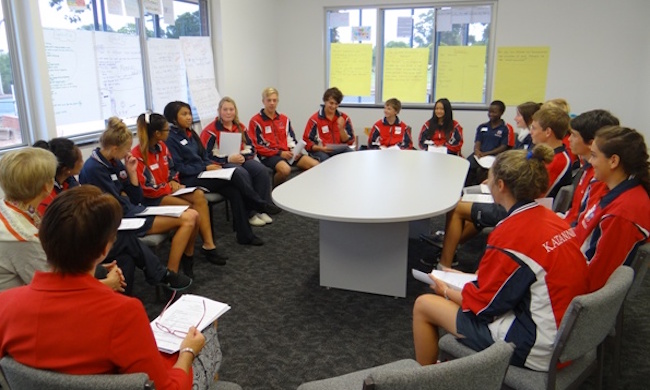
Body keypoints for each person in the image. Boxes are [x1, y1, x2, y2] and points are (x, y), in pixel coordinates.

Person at [0, 185, 220, 390]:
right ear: (106, 248)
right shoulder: (123, 312)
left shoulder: (5, 304)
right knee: (207, 332)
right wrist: (188, 353)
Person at [412, 145, 589, 370]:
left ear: (501, 185)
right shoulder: (551, 218)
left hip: (539, 345)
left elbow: (484, 307)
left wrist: (446, 290)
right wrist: (468, 278)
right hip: (570, 334)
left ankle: (427, 378)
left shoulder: (510, 234)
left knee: (424, 305)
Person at [34, 137, 178, 295]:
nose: (83, 163)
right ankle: (159, 274)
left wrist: (130, 176)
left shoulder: (70, 182)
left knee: (125, 260)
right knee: (125, 238)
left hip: (85, 235)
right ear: (67, 169)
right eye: (80, 160)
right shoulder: (48, 196)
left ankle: (120, 304)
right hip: (72, 248)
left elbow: (132, 198)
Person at [79, 118, 193, 289]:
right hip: (122, 219)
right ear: (115, 148)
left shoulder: (115, 161)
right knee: (189, 218)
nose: (128, 153)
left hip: (134, 211)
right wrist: (123, 196)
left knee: (191, 214)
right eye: (126, 149)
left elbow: (135, 197)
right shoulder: (94, 169)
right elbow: (115, 204)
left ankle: (169, 275)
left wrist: (132, 174)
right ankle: (169, 276)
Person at [0, 147, 124, 293]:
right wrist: (108, 284)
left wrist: (93, 268)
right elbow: (57, 290)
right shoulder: (23, 239)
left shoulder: (9, 208)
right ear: (47, 187)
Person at [164, 101, 279, 246]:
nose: (189, 117)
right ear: (173, 118)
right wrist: (204, 168)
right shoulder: (170, 139)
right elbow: (179, 168)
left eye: (189, 114)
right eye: (184, 114)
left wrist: (210, 165)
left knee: (235, 191)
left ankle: (245, 235)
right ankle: (258, 203)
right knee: (236, 174)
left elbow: (203, 156)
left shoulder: (191, 133)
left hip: (203, 173)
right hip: (189, 179)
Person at [133, 112, 229, 276]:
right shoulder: (138, 155)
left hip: (168, 191)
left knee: (198, 195)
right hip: (153, 199)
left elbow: (172, 169)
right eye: (166, 130)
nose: (169, 132)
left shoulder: (162, 147)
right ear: (157, 133)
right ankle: (187, 256)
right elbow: (147, 189)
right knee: (192, 211)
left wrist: (174, 181)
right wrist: (168, 187)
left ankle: (208, 245)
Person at [574, 126, 650, 292]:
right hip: (574, 261)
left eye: (594, 156)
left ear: (613, 161)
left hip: (580, 288)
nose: (590, 161)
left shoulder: (622, 214)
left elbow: (596, 279)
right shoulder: (610, 188)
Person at [201, 97, 275, 227]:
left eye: (231, 109)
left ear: (235, 111)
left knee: (260, 170)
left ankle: (261, 208)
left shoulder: (240, 127)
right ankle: (249, 213)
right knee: (241, 173)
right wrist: (228, 159)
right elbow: (205, 156)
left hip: (241, 158)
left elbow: (252, 148)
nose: (228, 112)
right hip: (221, 164)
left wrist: (242, 157)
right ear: (219, 111)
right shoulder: (210, 130)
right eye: (225, 109)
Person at [249, 87, 319, 186]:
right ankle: (274, 192)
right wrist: (280, 153)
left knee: (315, 165)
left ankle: (296, 188)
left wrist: (295, 151)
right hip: (269, 156)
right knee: (285, 170)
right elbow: (257, 146)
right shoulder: (255, 121)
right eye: (269, 100)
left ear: (277, 101)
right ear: (263, 101)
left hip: (288, 153)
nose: (272, 103)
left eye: (274, 100)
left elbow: (291, 139)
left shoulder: (284, 119)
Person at [563, 110, 619, 227]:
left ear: (591, 143)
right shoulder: (587, 168)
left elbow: (585, 224)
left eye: (573, 135)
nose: (569, 140)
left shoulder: (600, 176)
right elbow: (575, 212)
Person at [464, 100, 513, 186]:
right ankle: (465, 190)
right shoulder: (482, 126)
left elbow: (504, 146)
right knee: (467, 165)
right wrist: (477, 150)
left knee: (483, 171)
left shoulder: (506, 128)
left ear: (501, 113)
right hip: (480, 155)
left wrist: (487, 153)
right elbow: (478, 141)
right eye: (489, 111)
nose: (491, 114)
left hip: (495, 156)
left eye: (494, 112)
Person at [303, 87, 356, 161]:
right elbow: (306, 142)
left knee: (352, 156)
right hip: (320, 150)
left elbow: (350, 141)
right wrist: (321, 148)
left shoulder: (344, 118)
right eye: (331, 103)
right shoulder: (314, 119)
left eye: (336, 104)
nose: (333, 106)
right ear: (325, 101)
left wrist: (341, 129)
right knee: (327, 160)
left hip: (339, 150)